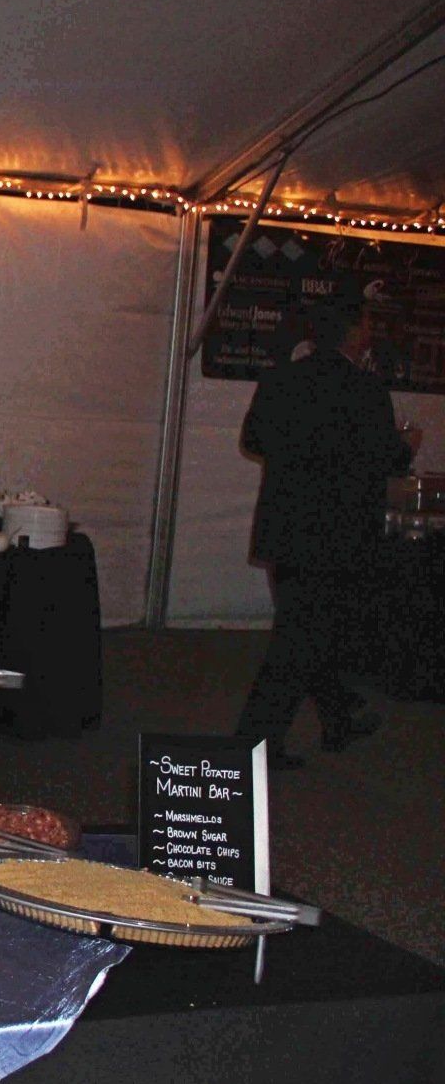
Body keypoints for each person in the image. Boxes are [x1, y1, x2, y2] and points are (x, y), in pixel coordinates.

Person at [234, 295, 417, 768]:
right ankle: (253, 745)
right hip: (338, 534)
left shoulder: (280, 378)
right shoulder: (365, 389)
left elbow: (253, 440)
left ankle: (338, 717)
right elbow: (389, 460)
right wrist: (408, 444)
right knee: (300, 639)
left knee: (312, 631)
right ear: (354, 332)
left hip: (285, 528)